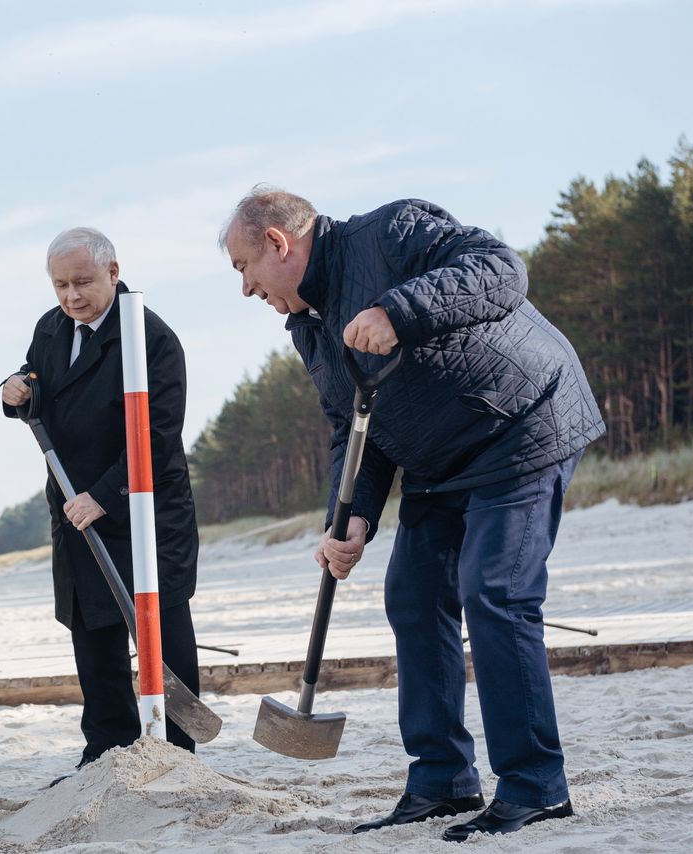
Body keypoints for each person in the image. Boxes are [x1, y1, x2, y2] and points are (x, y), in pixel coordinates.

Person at [219, 187, 604, 842]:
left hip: (519, 425)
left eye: (243, 269)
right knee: (413, 596)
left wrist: (397, 311)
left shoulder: (388, 233)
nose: (246, 289)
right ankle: (442, 780)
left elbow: (500, 270)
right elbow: (354, 423)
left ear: (278, 244)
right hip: (437, 462)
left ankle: (536, 785)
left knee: (494, 591)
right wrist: (354, 516)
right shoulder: (308, 327)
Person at [1, 227, 201, 785]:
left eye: (82, 282)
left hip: (143, 506)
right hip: (71, 504)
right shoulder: (50, 327)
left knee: (160, 627)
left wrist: (105, 496)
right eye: (60, 285)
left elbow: (157, 437)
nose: (71, 297)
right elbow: (38, 387)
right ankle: (106, 752)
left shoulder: (150, 337)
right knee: (92, 631)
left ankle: (177, 754)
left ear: (113, 272)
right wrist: (14, 388)